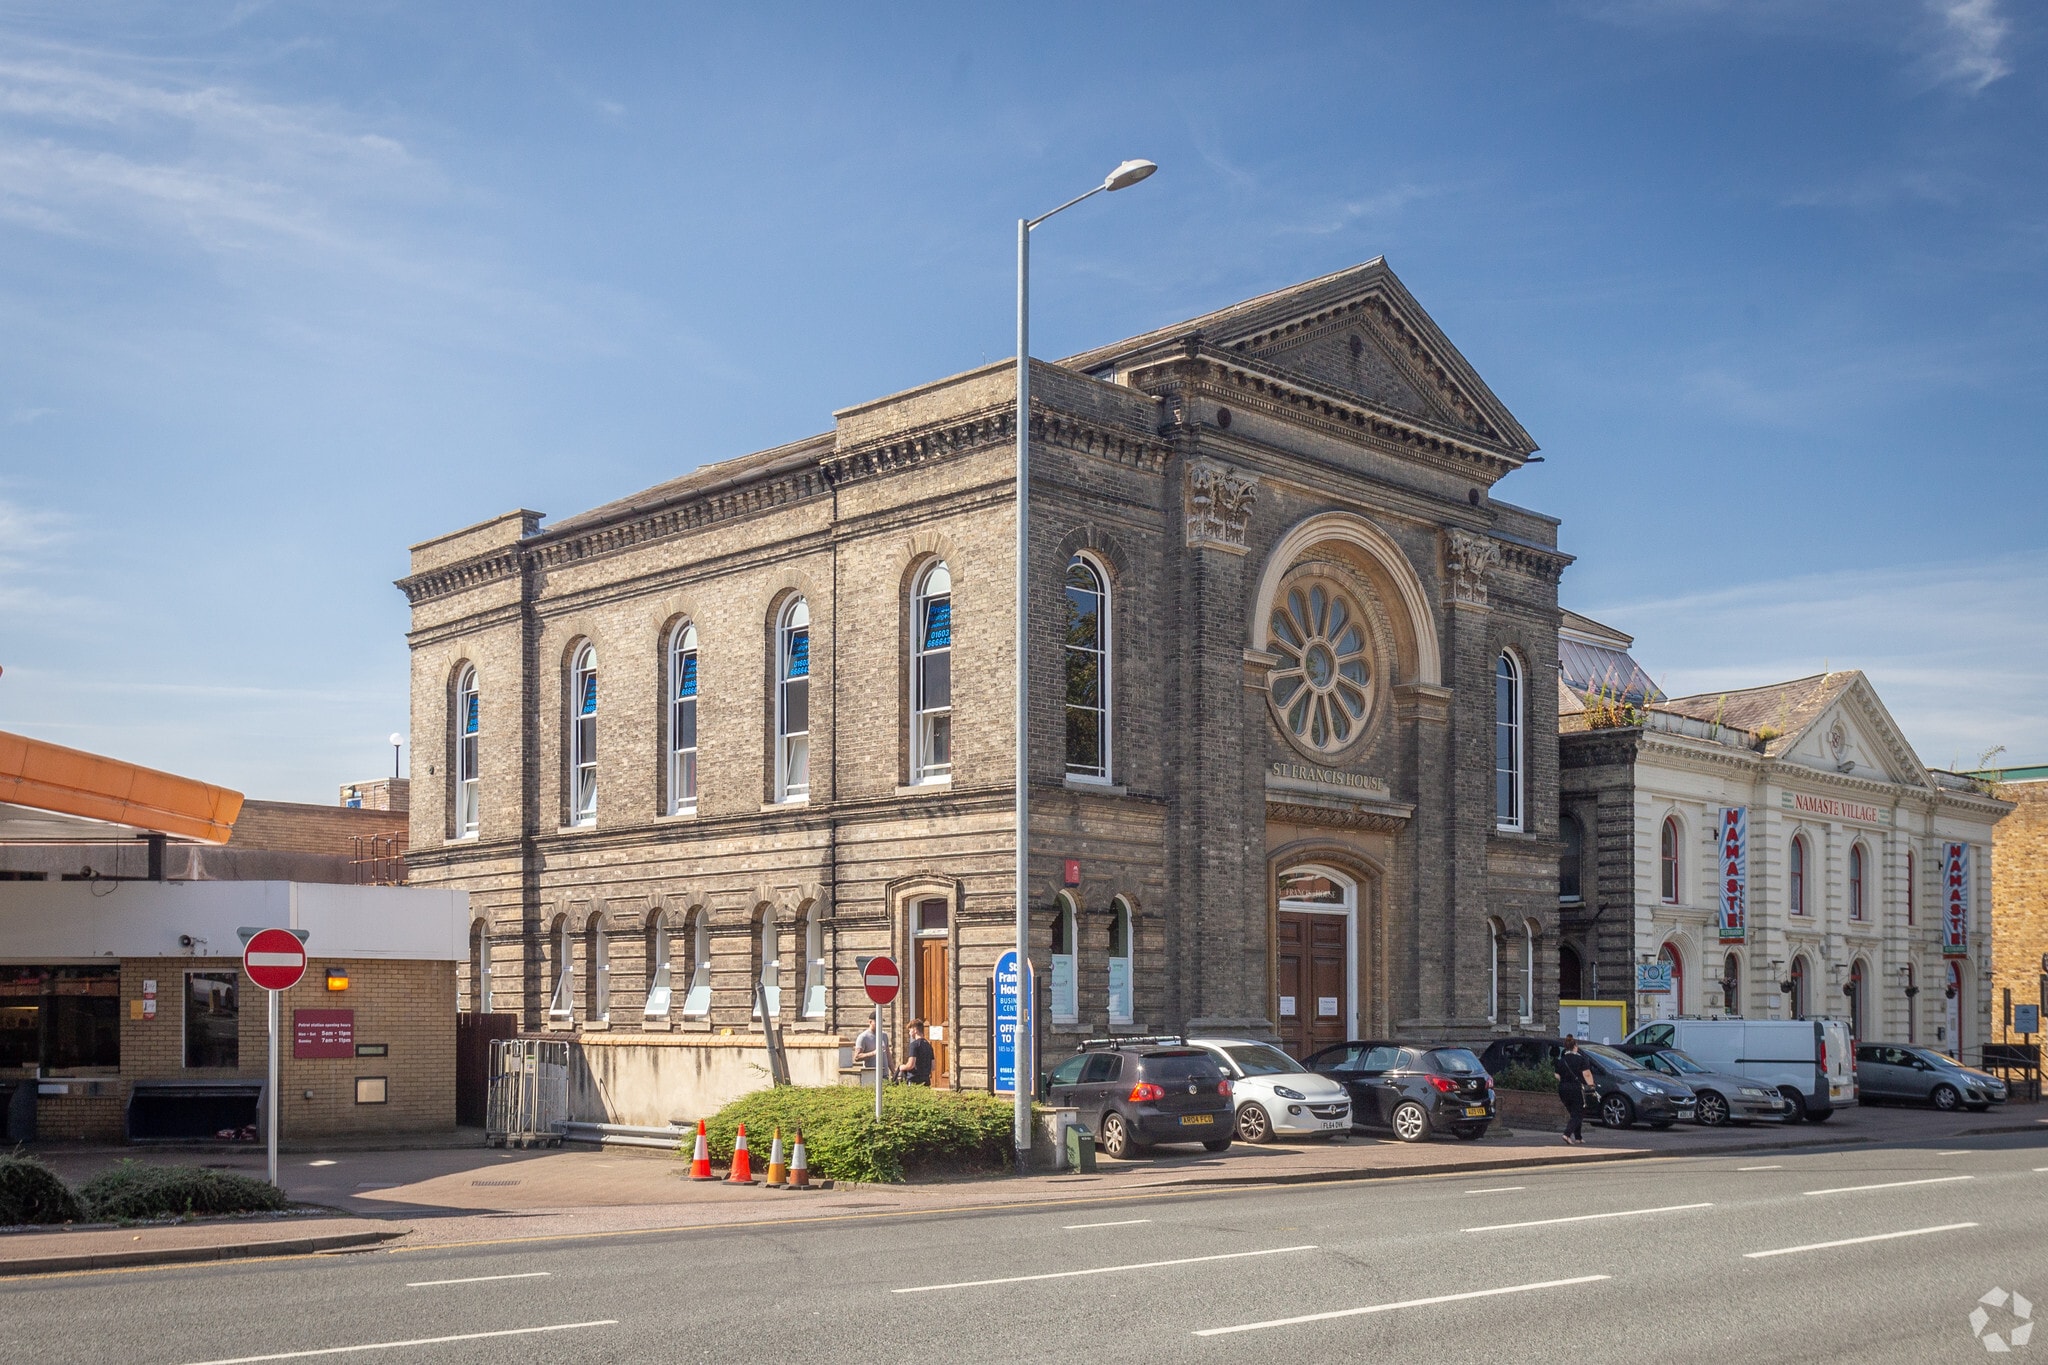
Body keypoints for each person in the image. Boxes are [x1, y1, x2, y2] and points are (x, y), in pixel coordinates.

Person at [1557, 1036, 1596, 1145]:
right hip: (1576, 1088)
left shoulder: (1562, 1060)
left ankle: (1578, 1137)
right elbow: (1586, 1074)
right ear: (1575, 1047)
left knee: (1574, 1113)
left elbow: (1557, 1075)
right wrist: (1591, 1085)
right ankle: (1567, 1134)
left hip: (1563, 1089)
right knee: (1578, 1114)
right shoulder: (1581, 1059)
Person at [896, 1018, 936, 1086]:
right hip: (926, 1081)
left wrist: (902, 1067)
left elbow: (911, 1065)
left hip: (914, 1081)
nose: (909, 1033)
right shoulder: (928, 1046)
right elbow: (933, 1067)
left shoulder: (914, 1045)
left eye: (910, 1030)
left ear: (915, 1030)